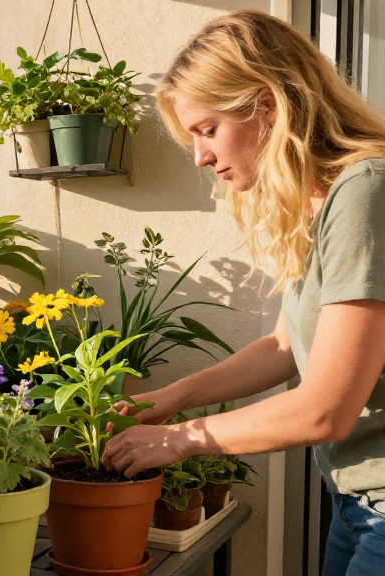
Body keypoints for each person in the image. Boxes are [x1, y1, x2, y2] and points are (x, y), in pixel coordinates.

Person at [98, 10, 385, 576]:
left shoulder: (364, 193)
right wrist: (168, 399)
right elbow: (284, 346)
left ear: (269, 103)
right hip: (356, 503)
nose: (201, 157)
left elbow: (326, 410)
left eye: (207, 130)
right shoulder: (322, 201)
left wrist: (180, 439)